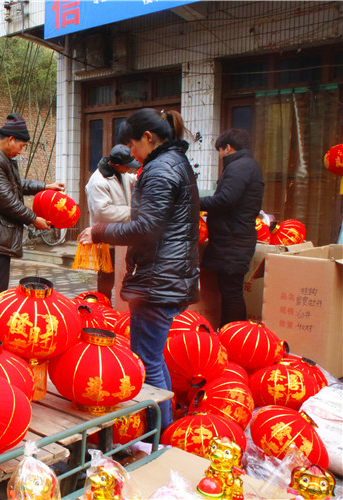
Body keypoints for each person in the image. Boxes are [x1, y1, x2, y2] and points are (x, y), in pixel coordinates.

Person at [78, 108, 200, 431]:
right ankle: (165, 425)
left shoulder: (159, 170)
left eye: (133, 145)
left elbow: (146, 227)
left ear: (148, 138)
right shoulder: (175, 162)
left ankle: (158, 431)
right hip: (167, 275)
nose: (131, 153)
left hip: (158, 279)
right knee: (154, 357)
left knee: (147, 359)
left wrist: (99, 232)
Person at [0, 113, 65, 313]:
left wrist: (45, 186)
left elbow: (16, 185)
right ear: (11, 139)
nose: (21, 150)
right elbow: (7, 201)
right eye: (22, 145)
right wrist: (35, 219)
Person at [200, 128, 264, 327]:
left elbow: (225, 199)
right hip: (234, 238)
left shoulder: (239, 167)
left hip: (233, 241)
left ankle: (233, 335)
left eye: (219, 150)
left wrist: (194, 202)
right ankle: (228, 332)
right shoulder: (247, 165)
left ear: (227, 148)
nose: (219, 156)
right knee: (230, 291)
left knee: (232, 292)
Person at [84, 145, 138, 301]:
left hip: (120, 233)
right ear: (117, 164)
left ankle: (114, 309)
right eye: (127, 166)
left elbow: (132, 180)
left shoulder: (121, 174)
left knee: (121, 273)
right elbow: (103, 211)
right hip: (104, 237)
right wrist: (133, 212)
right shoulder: (98, 181)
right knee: (106, 279)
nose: (129, 169)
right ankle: (103, 308)